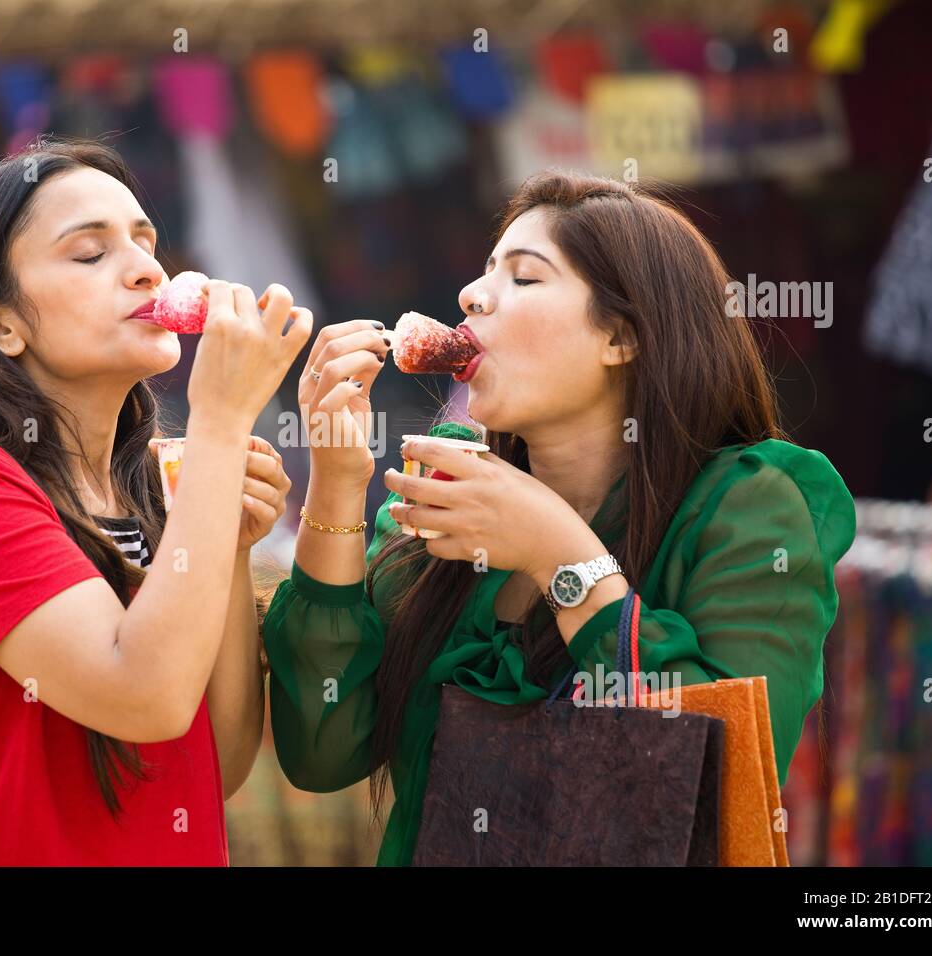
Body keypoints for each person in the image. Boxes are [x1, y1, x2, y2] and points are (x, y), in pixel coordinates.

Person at [264, 170, 857, 866]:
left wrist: (560, 559)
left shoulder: (749, 509)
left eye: (524, 277)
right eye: (486, 271)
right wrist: (336, 483)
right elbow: (324, 751)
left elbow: (719, 783)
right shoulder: (448, 495)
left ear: (622, 338)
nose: (470, 295)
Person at [0, 140, 312, 865]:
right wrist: (220, 425)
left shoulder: (160, 487)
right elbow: (147, 696)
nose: (147, 268)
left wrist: (224, 538)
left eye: (146, 242)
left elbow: (217, 758)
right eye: (89, 255)